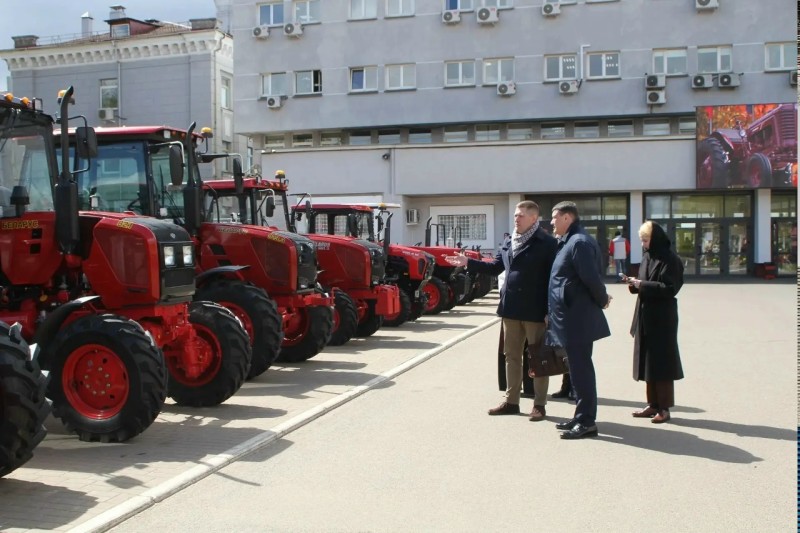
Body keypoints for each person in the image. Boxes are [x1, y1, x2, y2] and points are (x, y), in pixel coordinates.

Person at [446, 200, 557, 421]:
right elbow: (495, 267)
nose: (516, 218)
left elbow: (554, 279)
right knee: (511, 356)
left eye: (521, 215)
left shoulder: (547, 243)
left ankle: (540, 405)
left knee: (538, 358)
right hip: (511, 308)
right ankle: (512, 401)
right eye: (515, 215)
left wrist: (550, 310)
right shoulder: (509, 241)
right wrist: (467, 261)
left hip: (536, 310)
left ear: (534, 218)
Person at [547, 201, 611, 440]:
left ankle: (586, 421)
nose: (551, 222)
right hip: (569, 317)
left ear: (567, 218)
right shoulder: (569, 242)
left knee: (582, 369)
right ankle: (580, 415)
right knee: (576, 369)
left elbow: (591, 279)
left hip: (577, 318)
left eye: (554, 217)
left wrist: (603, 299)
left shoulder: (579, 243)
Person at [623, 221, 684, 424]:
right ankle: (652, 404)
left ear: (655, 238)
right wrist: (634, 284)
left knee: (662, 362)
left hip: (662, 318)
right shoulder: (647, 257)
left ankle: (664, 408)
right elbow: (644, 283)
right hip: (645, 314)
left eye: (646, 240)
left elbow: (670, 288)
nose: (643, 244)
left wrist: (643, 285)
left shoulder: (670, 259)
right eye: (641, 240)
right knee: (647, 362)